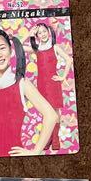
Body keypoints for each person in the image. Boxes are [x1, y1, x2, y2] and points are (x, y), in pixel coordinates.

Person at [0, 28, 58, 157]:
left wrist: (35, 151)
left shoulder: (21, 84)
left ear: (10, 50)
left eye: (2, 48)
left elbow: (51, 116)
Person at [30, 21, 72, 151]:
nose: (42, 34)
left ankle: (55, 138)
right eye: (39, 33)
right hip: (41, 84)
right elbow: (18, 46)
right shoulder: (36, 49)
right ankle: (48, 138)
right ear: (37, 36)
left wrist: (63, 77)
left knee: (55, 110)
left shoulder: (55, 47)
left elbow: (69, 60)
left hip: (53, 83)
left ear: (48, 32)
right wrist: (30, 35)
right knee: (46, 111)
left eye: (44, 31)